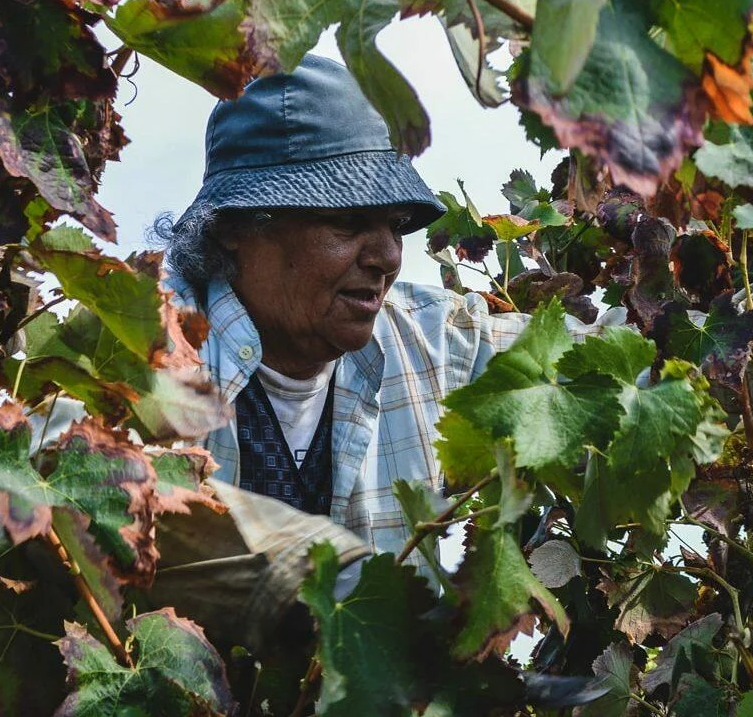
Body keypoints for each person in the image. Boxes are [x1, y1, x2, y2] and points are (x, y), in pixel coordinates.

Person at [153, 55, 617, 556]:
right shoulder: (135, 362)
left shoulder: (437, 343)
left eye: (396, 224)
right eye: (348, 223)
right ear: (236, 227)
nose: (388, 256)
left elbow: (612, 367)